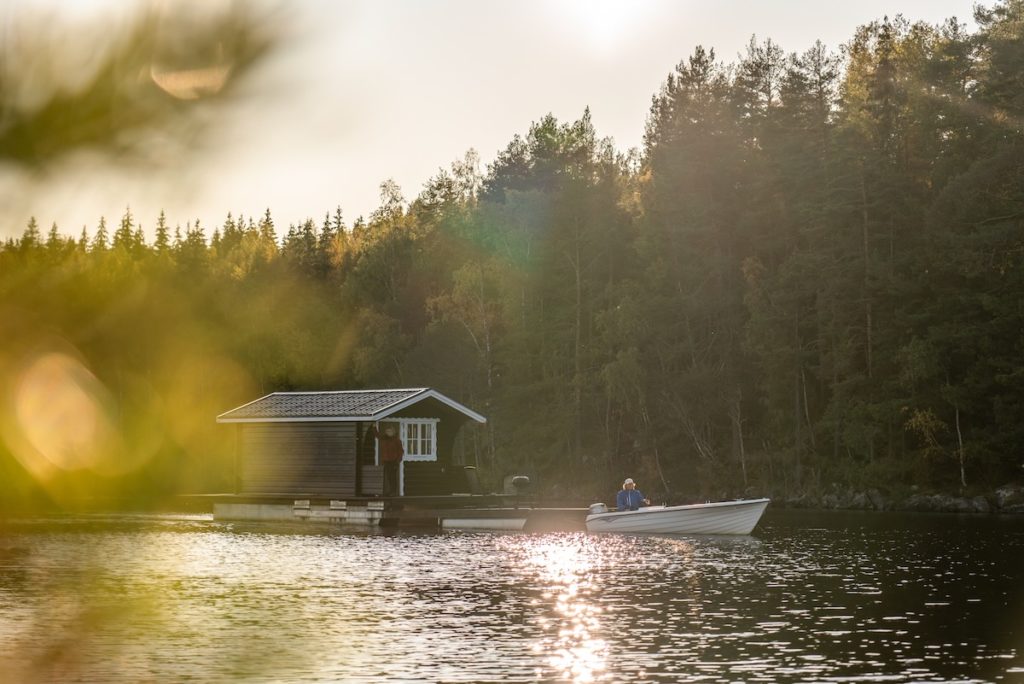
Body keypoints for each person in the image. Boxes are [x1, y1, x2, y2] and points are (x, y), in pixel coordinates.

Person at [372, 423, 404, 496]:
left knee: (393, 477)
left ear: (393, 432)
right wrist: (374, 427)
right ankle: (390, 491)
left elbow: (401, 451)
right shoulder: (384, 438)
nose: (389, 432)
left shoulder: (397, 440)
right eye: (387, 431)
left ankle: (393, 492)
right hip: (386, 461)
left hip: (394, 462)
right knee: (388, 477)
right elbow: (377, 435)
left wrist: (397, 461)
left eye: (390, 431)